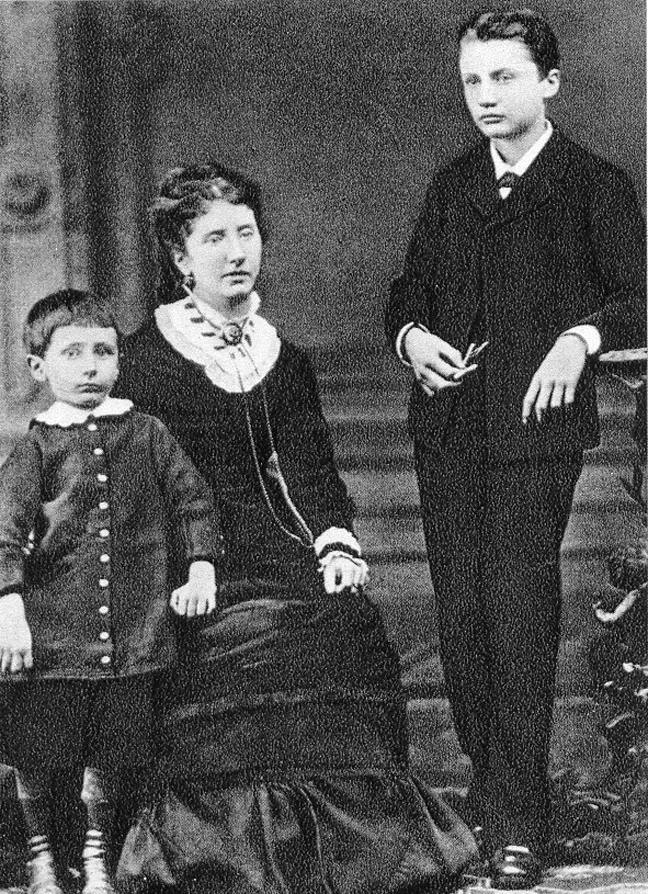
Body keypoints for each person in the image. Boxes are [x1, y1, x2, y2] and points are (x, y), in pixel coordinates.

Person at [113, 163, 478, 893]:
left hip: (278, 547)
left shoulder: (284, 361)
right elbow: (130, 493)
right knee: (247, 639)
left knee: (343, 622)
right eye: (215, 238)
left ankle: (352, 856)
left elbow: (311, 473)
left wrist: (335, 543)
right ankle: (229, 857)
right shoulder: (142, 361)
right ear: (181, 257)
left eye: (246, 233)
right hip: (185, 562)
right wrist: (175, 570)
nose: (236, 252)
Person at [385, 8, 645, 888]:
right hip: (448, 430)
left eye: (504, 77)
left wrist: (580, 338)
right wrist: (414, 339)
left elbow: (639, 299)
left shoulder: (593, 184)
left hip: (534, 435)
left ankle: (519, 823)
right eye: (473, 80)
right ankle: (492, 798)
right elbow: (408, 291)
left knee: (518, 613)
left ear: (550, 83)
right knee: (462, 622)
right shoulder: (453, 184)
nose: (486, 96)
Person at [0, 289, 221, 894]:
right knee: (38, 748)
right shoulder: (37, 447)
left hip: (133, 632)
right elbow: (4, 534)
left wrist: (201, 568)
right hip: (51, 637)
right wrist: (10, 611)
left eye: (103, 351)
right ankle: (42, 859)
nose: (91, 366)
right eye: (72, 353)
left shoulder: (148, 434)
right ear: (39, 367)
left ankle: (97, 857)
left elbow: (193, 503)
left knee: (112, 752)